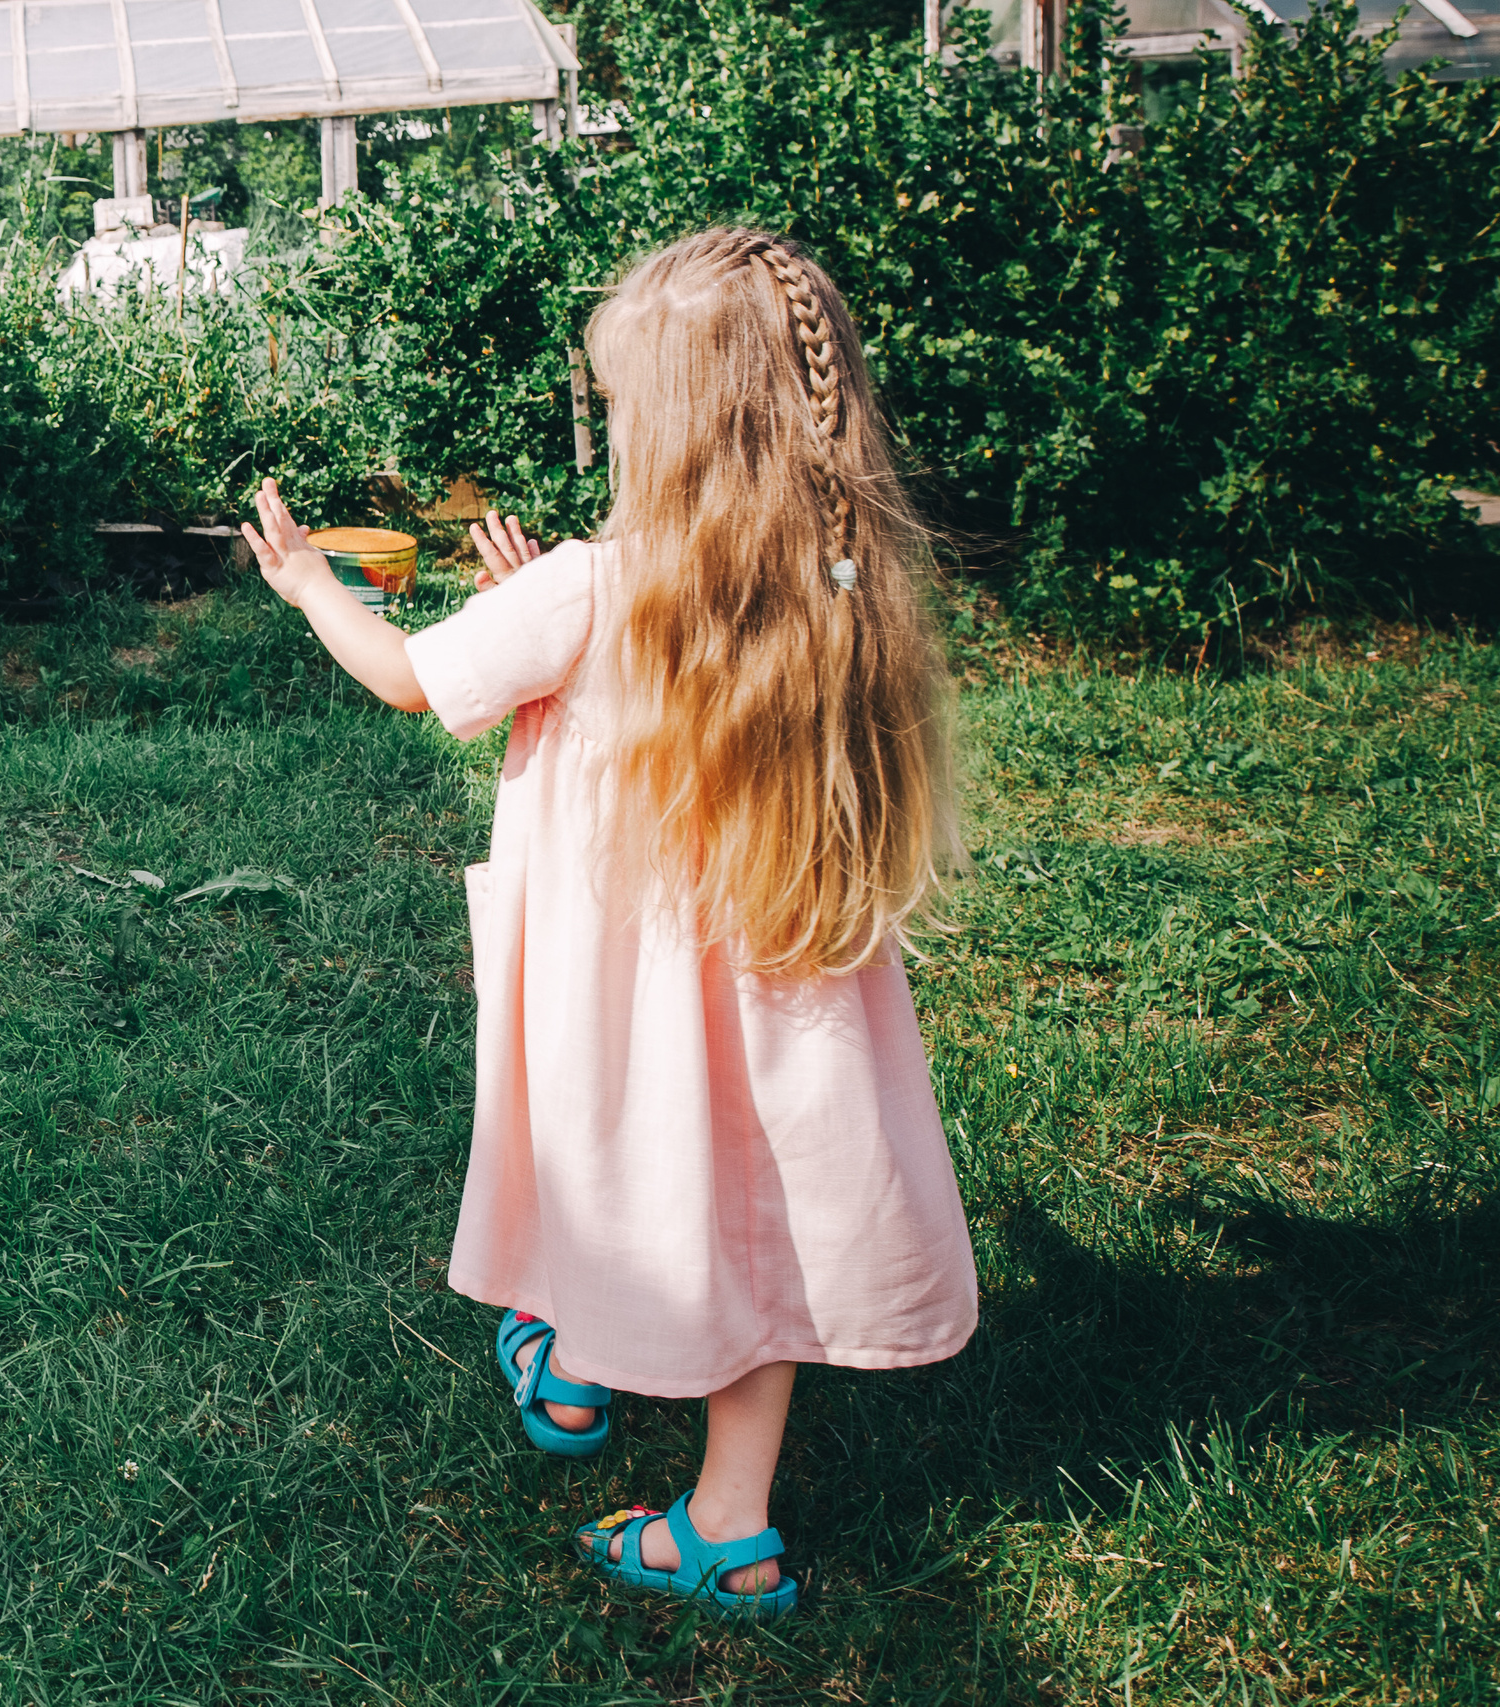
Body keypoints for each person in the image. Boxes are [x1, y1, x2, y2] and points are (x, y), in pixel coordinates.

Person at [237, 228, 979, 1619]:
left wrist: (311, 585)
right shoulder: (837, 583)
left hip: (620, 1006)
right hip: (788, 998)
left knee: (608, 1167)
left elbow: (408, 675)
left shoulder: (589, 585)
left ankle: (573, 1376)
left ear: (672, 425)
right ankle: (731, 1524)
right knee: (759, 1224)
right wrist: (529, 600)